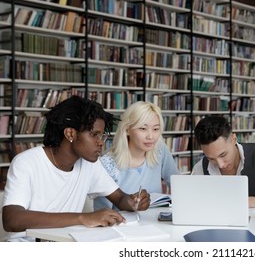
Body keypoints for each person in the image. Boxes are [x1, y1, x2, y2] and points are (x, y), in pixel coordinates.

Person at [1, 96, 150, 242]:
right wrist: (84, 218)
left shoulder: (89, 164)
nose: (101, 143)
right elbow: (12, 219)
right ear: (70, 134)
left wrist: (133, 201)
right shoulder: (26, 162)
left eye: (102, 136)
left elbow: (119, 198)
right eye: (94, 135)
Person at [93, 101, 179, 211]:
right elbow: (102, 213)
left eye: (156, 129)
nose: (151, 136)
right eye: (143, 129)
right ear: (127, 129)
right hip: (124, 226)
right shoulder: (107, 164)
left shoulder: (160, 149)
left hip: (158, 221)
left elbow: (178, 185)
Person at [192, 116, 255, 209]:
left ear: (234, 139)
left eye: (223, 155)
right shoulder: (199, 168)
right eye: (211, 159)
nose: (220, 165)